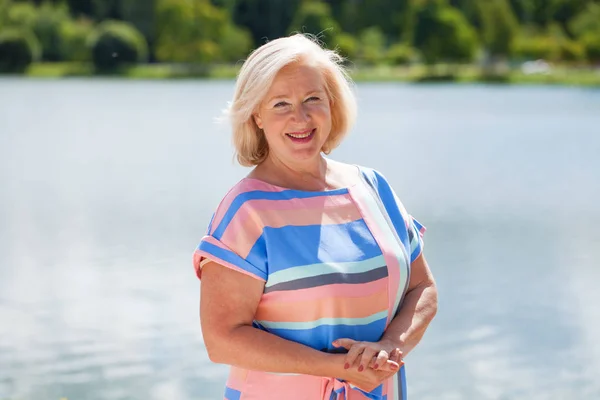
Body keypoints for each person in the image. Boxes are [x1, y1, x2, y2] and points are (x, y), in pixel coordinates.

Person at [192, 33, 438, 400]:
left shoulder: (373, 188)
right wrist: (336, 369)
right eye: (280, 104)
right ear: (256, 115)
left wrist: (390, 345)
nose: (300, 117)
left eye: (312, 99)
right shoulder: (247, 210)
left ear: (331, 104)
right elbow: (222, 340)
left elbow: (423, 289)